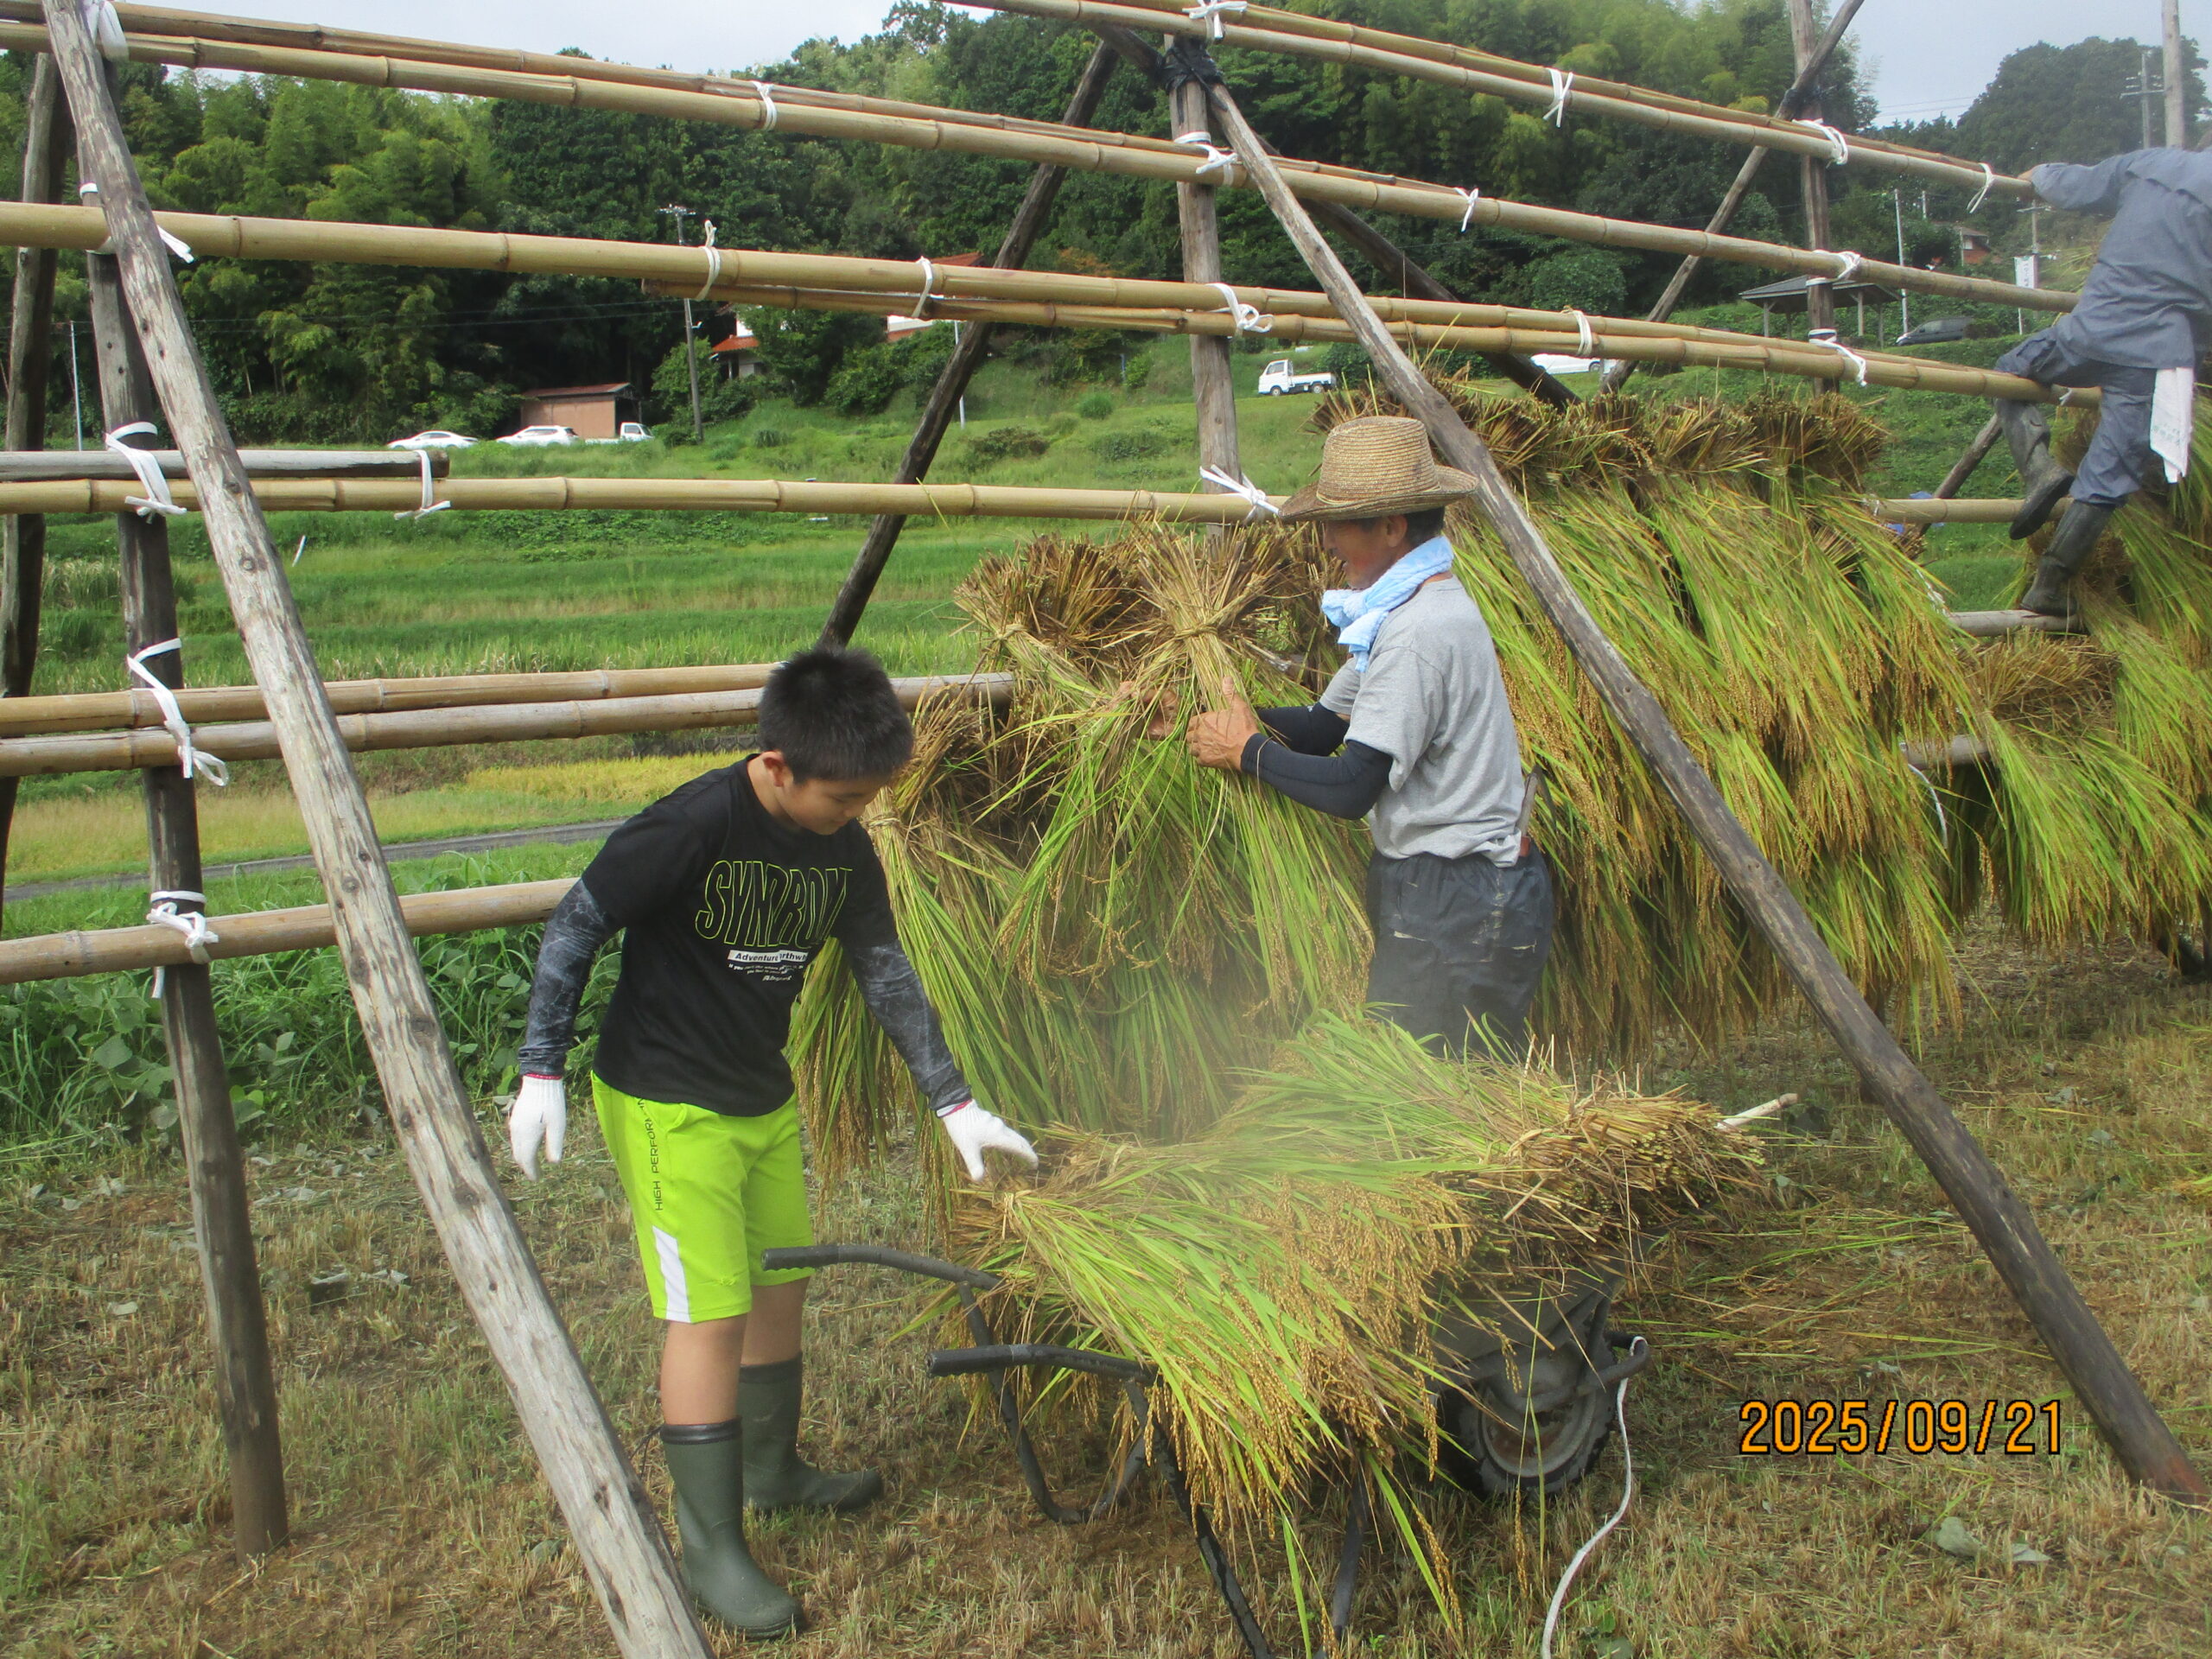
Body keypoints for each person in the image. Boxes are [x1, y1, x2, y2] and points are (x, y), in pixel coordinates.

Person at [505, 645, 1036, 1638]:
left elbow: (883, 970)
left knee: (780, 1284)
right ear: (779, 767)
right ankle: (709, 1542)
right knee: (710, 1313)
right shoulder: (694, 824)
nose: (857, 814)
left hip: (759, 1092)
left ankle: (771, 1468)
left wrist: (954, 1103)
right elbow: (578, 923)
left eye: (868, 798)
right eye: (844, 798)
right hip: (667, 1100)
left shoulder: (844, 847)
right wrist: (542, 1068)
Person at [1179, 415, 1553, 1058]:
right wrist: (1208, 715)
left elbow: (1353, 786)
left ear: (1392, 528)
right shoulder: (1399, 614)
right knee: (1431, 1083)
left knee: (1434, 1087)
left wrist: (1244, 753)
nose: (1326, 542)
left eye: (1339, 524)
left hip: (1461, 896)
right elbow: (1321, 729)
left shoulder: (1418, 633)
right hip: (1448, 890)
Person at [1993, 146, 2212, 615]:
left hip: (2090, 331)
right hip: (2157, 354)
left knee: (2010, 367)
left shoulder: (2152, 163)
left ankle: (2038, 468)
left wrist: (2041, 172)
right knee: (2111, 475)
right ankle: (2050, 586)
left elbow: (2079, 185)